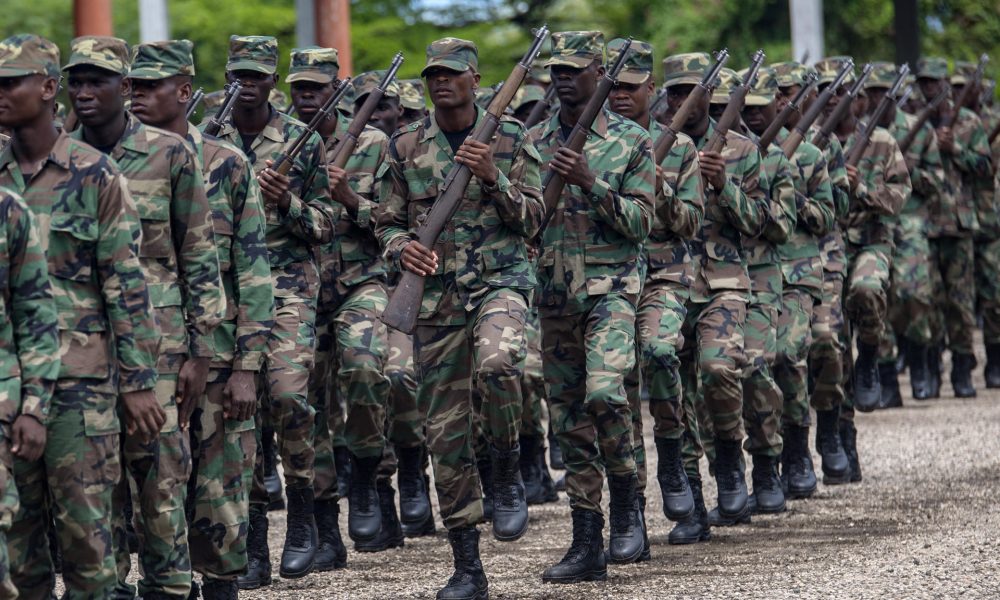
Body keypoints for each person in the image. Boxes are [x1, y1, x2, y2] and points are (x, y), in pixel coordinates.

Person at [375, 37, 543, 600]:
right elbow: (385, 222)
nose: (439, 83)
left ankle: (506, 463)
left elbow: (535, 218)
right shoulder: (404, 146)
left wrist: (494, 176)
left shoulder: (513, 137)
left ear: (476, 78)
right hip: (436, 302)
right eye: (432, 76)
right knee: (444, 436)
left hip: (500, 285)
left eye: (451, 74)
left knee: (499, 364)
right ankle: (467, 565)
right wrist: (403, 249)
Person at [0, 33, 161, 599]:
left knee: (88, 543)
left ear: (47, 88)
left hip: (79, 384)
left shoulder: (94, 174)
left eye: (10, 81)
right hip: (8, 385)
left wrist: (140, 382)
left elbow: (125, 282)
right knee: (16, 547)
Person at [64, 35, 224, 600]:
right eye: (75, 81)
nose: (84, 92)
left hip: (159, 347)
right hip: (82, 348)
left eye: (97, 81)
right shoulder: (60, 157)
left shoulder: (170, 153)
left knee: (160, 480)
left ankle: (170, 588)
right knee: (93, 485)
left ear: (124, 88)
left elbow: (200, 255)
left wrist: (202, 351)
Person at [127, 39, 276, 598]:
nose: (136, 96)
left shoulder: (226, 163)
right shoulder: (109, 164)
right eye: (132, 85)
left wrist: (247, 365)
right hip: (149, 358)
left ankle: (219, 586)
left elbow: (254, 268)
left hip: (218, 357)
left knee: (219, 491)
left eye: (150, 86)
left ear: (185, 93)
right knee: (151, 491)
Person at [207, 34, 335, 586]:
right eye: (238, 74)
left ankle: (303, 506)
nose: (246, 85)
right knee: (243, 412)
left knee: (287, 394)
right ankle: (254, 539)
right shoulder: (205, 135)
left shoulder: (303, 141)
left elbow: (327, 224)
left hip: (286, 285)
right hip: (226, 290)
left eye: (257, 76)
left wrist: (289, 202)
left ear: (272, 82)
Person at [530, 31, 653, 581]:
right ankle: (586, 538)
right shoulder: (530, 140)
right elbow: (522, 219)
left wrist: (591, 183)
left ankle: (628, 504)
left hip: (612, 291)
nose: (562, 77)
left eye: (573, 69)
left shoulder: (631, 140)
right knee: (570, 419)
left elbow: (643, 223)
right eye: (555, 68)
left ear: (599, 73)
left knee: (606, 394)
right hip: (555, 293)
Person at [286, 49, 396, 558]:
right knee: (308, 406)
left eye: (315, 88)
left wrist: (350, 197)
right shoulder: (281, 142)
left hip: (360, 282)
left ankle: (369, 475)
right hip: (302, 291)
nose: (306, 97)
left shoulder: (373, 143)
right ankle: (326, 524)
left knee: (366, 368)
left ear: (337, 90)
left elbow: (399, 221)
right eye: (298, 88)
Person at [661, 51, 767, 543]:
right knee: (671, 391)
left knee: (720, 369)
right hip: (667, 281)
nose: (684, 99)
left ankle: (728, 455)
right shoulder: (654, 146)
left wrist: (724, 186)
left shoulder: (743, 150)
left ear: (711, 95)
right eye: (675, 91)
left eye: (692, 90)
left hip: (723, 280)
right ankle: (692, 506)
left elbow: (761, 224)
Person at [606, 38, 703, 543]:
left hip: (665, 272)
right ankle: (631, 507)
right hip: (614, 275)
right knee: (615, 387)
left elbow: (689, 223)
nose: (620, 96)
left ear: (652, 91)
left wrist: (658, 187)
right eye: (613, 87)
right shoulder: (598, 144)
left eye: (630, 87)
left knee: (660, 350)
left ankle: (670, 452)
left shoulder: (680, 147)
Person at [864, 62, 944, 404]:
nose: (879, 97)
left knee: (914, 294)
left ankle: (922, 359)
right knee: (877, 299)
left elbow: (937, 180)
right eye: (873, 92)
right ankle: (885, 378)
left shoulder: (918, 129)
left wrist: (914, 171)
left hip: (910, 220)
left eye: (885, 91)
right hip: (871, 222)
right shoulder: (860, 133)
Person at [916, 57, 992, 399]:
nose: (929, 88)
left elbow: (985, 168)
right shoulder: (914, 124)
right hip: (923, 224)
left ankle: (963, 366)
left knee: (961, 304)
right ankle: (931, 366)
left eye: (934, 82)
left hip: (959, 224)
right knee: (926, 300)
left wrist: (955, 148)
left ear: (945, 84)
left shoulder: (970, 122)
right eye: (924, 82)